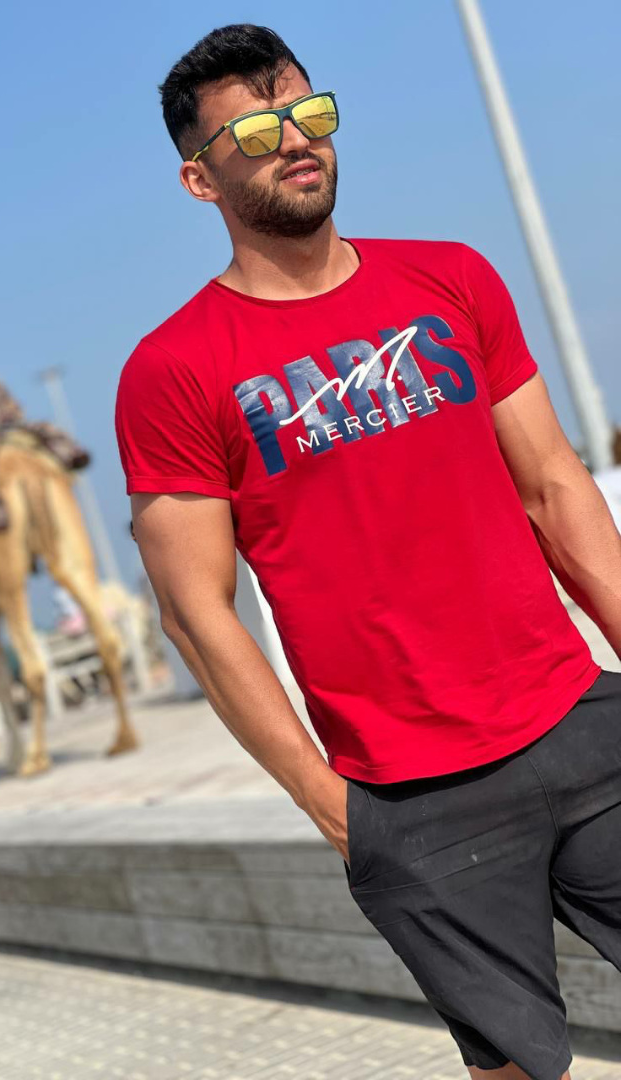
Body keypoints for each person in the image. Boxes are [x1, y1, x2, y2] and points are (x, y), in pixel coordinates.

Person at [114, 25, 621, 1080]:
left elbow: (554, 486)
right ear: (200, 179)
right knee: (518, 1071)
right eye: (256, 132)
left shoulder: (451, 278)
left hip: (574, 720)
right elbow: (197, 614)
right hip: (408, 795)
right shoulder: (174, 370)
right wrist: (328, 801)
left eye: (308, 113)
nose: (296, 140)